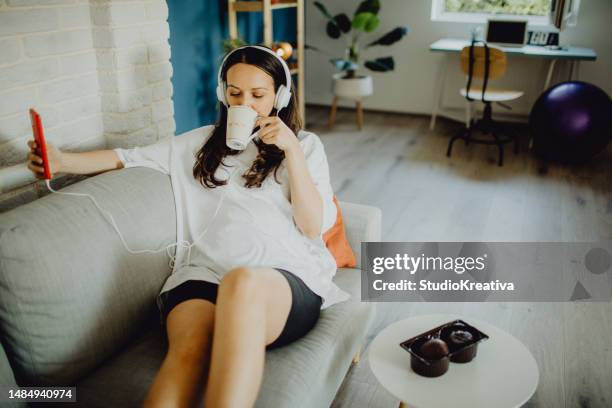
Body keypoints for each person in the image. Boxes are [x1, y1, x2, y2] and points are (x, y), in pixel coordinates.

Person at [25, 45, 350, 408]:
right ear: (221, 93)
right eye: (234, 93)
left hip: (280, 278)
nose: (245, 104)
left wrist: (290, 150)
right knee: (188, 351)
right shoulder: (199, 143)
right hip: (203, 274)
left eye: (258, 95)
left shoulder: (305, 146)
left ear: (281, 96)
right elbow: (126, 157)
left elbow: (312, 226)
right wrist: (61, 159)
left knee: (240, 283)